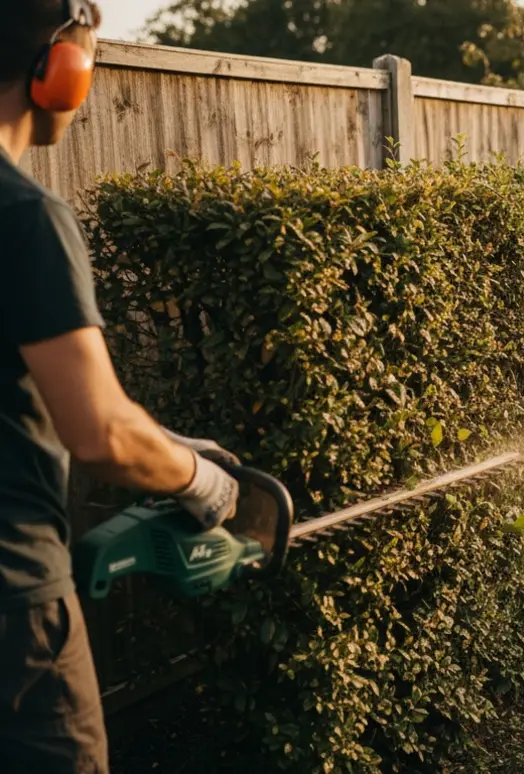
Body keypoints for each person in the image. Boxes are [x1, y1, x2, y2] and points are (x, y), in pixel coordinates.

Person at [0, 2, 242, 772]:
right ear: (57, 71)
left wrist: (157, 442)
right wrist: (197, 478)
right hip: (13, 617)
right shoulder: (23, 216)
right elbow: (99, 431)